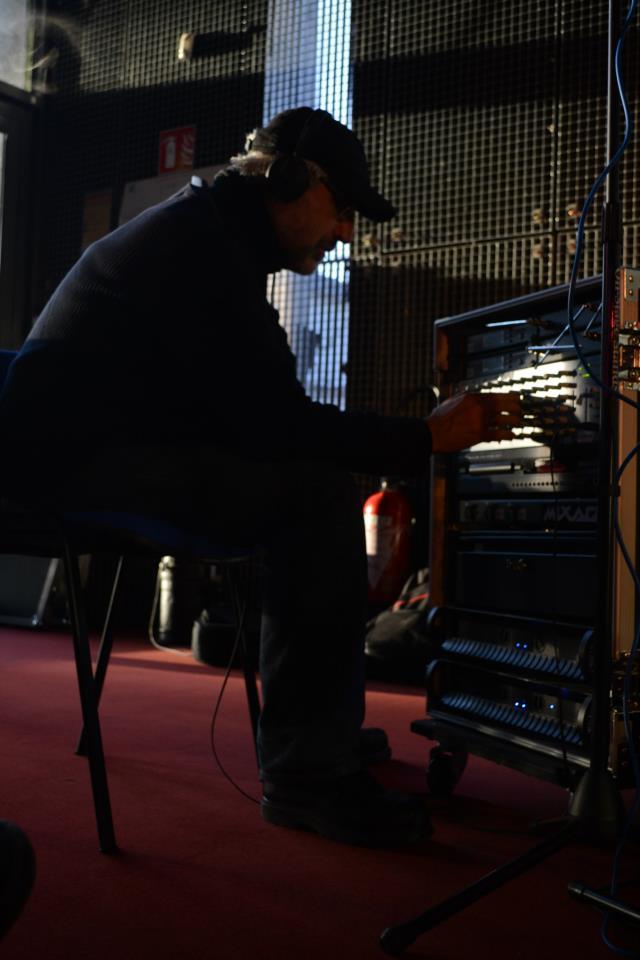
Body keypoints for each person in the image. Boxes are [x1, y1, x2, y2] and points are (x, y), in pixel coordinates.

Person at [0, 107, 521, 846]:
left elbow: (263, 414)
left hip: (93, 454)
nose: (346, 233)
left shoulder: (210, 237)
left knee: (309, 481)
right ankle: (310, 774)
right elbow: (282, 425)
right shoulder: (201, 251)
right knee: (315, 496)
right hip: (72, 473)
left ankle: (317, 730)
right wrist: (427, 437)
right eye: (342, 209)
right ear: (290, 179)